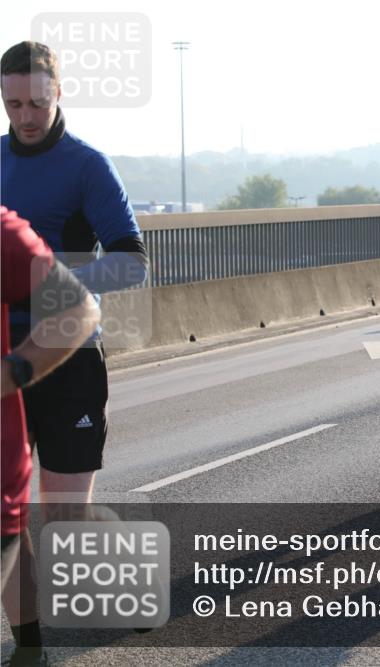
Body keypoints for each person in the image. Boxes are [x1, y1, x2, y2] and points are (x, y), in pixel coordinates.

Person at [1, 40, 149, 660]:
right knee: (9, 522)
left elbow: (132, 263)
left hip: (69, 356)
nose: (26, 116)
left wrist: (49, 274)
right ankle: (29, 644)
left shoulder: (87, 164)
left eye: (37, 101)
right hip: (5, 364)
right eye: (13, 103)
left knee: (63, 522)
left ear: (59, 93)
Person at [2, 206, 100, 667]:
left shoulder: (4, 231)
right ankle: (30, 649)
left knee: (63, 518)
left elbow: (81, 305)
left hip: (62, 365)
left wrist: (12, 370)